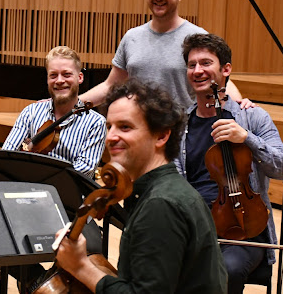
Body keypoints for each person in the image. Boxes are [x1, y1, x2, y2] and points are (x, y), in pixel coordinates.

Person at [55, 79, 228, 293]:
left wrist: (81, 267)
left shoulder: (161, 205)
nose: (110, 137)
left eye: (125, 127)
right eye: (109, 127)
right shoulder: (168, 191)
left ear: (162, 135)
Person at [178, 33, 283, 293]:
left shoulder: (253, 117)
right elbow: (172, 177)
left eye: (206, 63)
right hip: (194, 228)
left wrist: (248, 139)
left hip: (244, 231)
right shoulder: (179, 124)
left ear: (226, 69)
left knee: (226, 269)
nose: (197, 70)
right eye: (192, 65)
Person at [80, 0, 245, 110]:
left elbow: (219, 79)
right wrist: (72, 104)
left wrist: (241, 104)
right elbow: (110, 86)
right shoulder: (132, 37)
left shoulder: (198, 37)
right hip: (140, 132)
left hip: (182, 135)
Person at [3, 46, 106, 178]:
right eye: (53, 75)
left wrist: (36, 173)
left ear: (80, 78)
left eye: (66, 74)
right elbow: (7, 154)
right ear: (47, 79)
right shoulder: (31, 112)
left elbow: (83, 171)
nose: (59, 80)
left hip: (67, 193)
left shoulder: (95, 123)